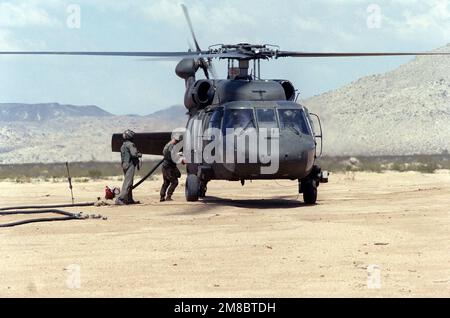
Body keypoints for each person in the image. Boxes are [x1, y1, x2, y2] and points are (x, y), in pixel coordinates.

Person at [116, 129, 142, 205]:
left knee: (129, 182)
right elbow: (134, 154)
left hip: (124, 164)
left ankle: (129, 199)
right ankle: (120, 198)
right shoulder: (131, 144)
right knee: (128, 182)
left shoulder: (123, 145)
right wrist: (139, 154)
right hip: (130, 164)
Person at [160, 134, 183, 202]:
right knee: (175, 182)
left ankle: (162, 197)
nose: (177, 142)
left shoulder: (169, 145)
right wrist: (179, 157)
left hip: (167, 166)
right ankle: (168, 196)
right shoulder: (171, 146)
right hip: (168, 167)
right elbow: (171, 157)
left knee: (166, 182)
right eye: (177, 141)